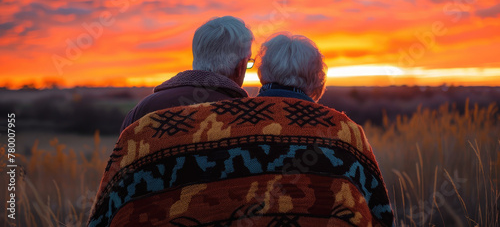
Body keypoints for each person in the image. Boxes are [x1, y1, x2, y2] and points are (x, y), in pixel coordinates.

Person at [89, 33, 394, 227]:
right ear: (320, 82)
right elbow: (380, 214)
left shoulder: (215, 123)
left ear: (262, 75)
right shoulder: (345, 132)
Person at [119, 16, 254, 133]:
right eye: (248, 62)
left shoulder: (142, 111)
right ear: (240, 66)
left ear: (197, 57)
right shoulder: (247, 117)